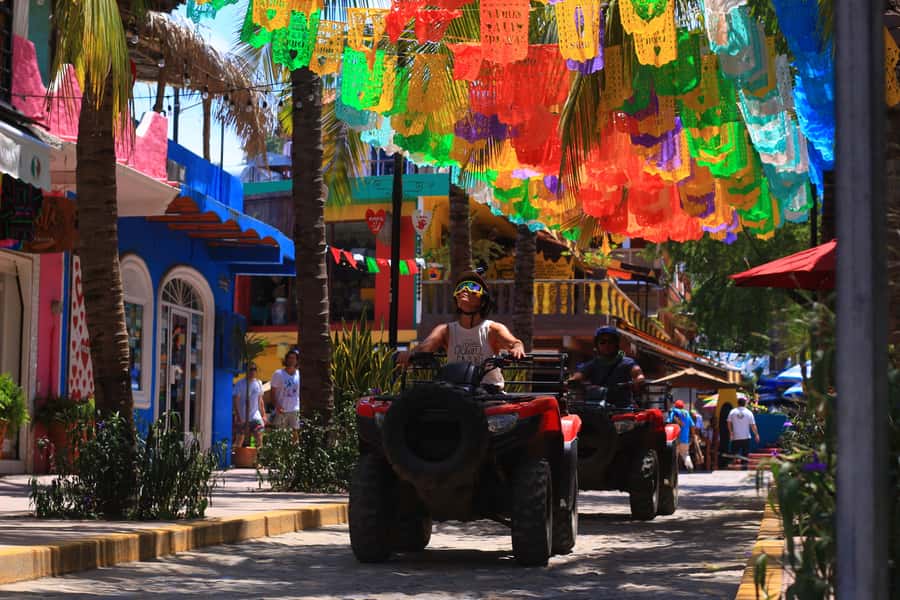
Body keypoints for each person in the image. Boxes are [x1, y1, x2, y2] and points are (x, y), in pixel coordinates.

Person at [397, 270, 525, 389]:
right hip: (455, 394)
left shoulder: (493, 329)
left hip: (488, 392)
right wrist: (411, 354)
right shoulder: (446, 330)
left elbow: (514, 343)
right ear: (456, 300)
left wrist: (517, 348)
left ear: (483, 301)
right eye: (460, 288)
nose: (465, 290)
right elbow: (425, 346)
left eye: (473, 287)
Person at [566, 325, 646, 408]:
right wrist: (573, 380)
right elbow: (579, 375)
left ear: (616, 344)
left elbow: (637, 372)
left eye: (611, 341)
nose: (607, 345)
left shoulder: (627, 362)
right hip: (598, 409)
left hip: (622, 409)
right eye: (602, 342)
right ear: (597, 345)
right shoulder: (593, 364)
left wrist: (639, 379)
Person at [233, 362, 266, 450]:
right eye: (251, 369)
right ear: (246, 370)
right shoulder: (240, 384)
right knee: (239, 440)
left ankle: (257, 460)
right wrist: (238, 416)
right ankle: (236, 459)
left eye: (254, 369)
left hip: (256, 416)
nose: (253, 371)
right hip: (243, 417)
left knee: (259, 438)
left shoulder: (259, 383)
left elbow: (260, 400)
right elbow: (235, 401)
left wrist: (263, 415)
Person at [270, 348, 301, 441]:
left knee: (295, 434)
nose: (292, 360)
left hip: (295, 409)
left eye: (294, 358)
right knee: (280, 435)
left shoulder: (299, 374)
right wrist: (277, 406)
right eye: (290, 358)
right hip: (281, 410)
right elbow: (272, 392)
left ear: (296, 361)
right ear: (286, 360)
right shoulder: (278, 374)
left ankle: (295, 453)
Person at [727, 397, 760, 470]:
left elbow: (728, 423)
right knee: (745, 454)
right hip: (746, 437)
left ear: (737, 403)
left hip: (736, 437)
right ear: (745, 403)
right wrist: (756, 434)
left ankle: (733, 468)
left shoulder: (732, 412)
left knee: (734, 453)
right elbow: (753, 425)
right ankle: (744, 469)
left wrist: (731, 432)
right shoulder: (749, 412)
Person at [668, 400, 696, 471]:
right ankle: (690, 466)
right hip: (685, 438)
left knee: (674, 455)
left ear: (676, 406)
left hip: (675, 437)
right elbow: (692, 425)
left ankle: (674, 471)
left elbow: (669, 421)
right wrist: (692, 436)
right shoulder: (686, 413)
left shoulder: (674, 411)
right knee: (685, 454)